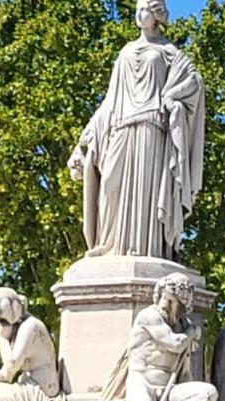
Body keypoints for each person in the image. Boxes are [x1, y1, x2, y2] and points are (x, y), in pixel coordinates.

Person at [67, 0, 205, 260]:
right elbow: (110, 100)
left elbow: (194, 83)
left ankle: (145, 248)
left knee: (146, 195)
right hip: (120, 126)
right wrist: (84, 141)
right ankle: (108, 244)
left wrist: (173, 96)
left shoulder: (169, 52)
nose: (139, 14)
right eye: (138, 9)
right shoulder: (126, 51)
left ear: (156, 15)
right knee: (109, 183)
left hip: (152, 127)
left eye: (145, 9)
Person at [100, 273, 217, 401]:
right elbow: (174, 343)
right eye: (167, 299)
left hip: (169, 387)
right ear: (159, 294)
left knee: (208, 393)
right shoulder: (149, 316)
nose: (169, 306)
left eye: (174, 303)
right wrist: (193, 333)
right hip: (142, 380)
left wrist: (190, 331)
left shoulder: (182, 323)